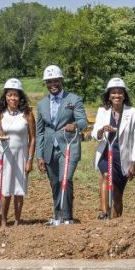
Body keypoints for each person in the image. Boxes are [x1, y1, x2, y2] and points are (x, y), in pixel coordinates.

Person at [35, 65, 88, 224]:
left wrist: (75, 126)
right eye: (49, 81)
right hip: (49, 149)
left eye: (56, 80)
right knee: (55, 183)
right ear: (46, 83)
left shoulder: (73, 99)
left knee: (66, 179)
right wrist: (40, 156)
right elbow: (40, 131)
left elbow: (83, 121)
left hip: (68, 145)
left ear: (61, 80)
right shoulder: (42, 104)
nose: (53, 84)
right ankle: (58, 215)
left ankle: (67, 216)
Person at [92, 78, 135, 219]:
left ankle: (115, 221)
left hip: (123, 157)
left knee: (117, 193)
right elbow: (95, 134)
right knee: (106, 177)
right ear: (108, 95)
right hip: (106, 153)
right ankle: (104, 212)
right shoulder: (102, 111)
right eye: (113, 93)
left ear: (124, 95)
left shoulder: (133, 113)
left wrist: (134, 162)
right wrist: (102, 130)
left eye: (120, 92)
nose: (116, 96)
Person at [0, 78, 36, 226]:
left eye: (16, 95)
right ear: (5, 96)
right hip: (4, 155)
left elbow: (33, 138)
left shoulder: (27, 114)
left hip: (21, 155)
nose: (13, 98)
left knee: (19, 189)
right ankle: (3, 221)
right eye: (10, 95)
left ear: (20, 97)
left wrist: (30, 159)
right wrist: (0, 133)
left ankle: (17, 220)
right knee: (5, 189)